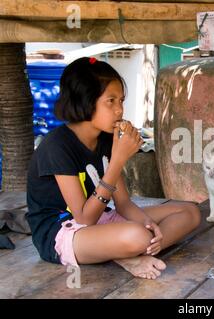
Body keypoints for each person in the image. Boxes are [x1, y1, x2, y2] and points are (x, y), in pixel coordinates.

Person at [26, 57, 201, 279]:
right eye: (110, 101)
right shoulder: (57, 146)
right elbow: (83, 219)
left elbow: (124, 203)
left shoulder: (107, 139)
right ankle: (131, 252)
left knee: (189, 212)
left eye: (121, 100)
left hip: (103, 219)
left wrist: (148, 224)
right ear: (85, 101)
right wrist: (117, 160)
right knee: (137, 235)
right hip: (62, 233)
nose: (119, 110)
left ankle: (143, 249)